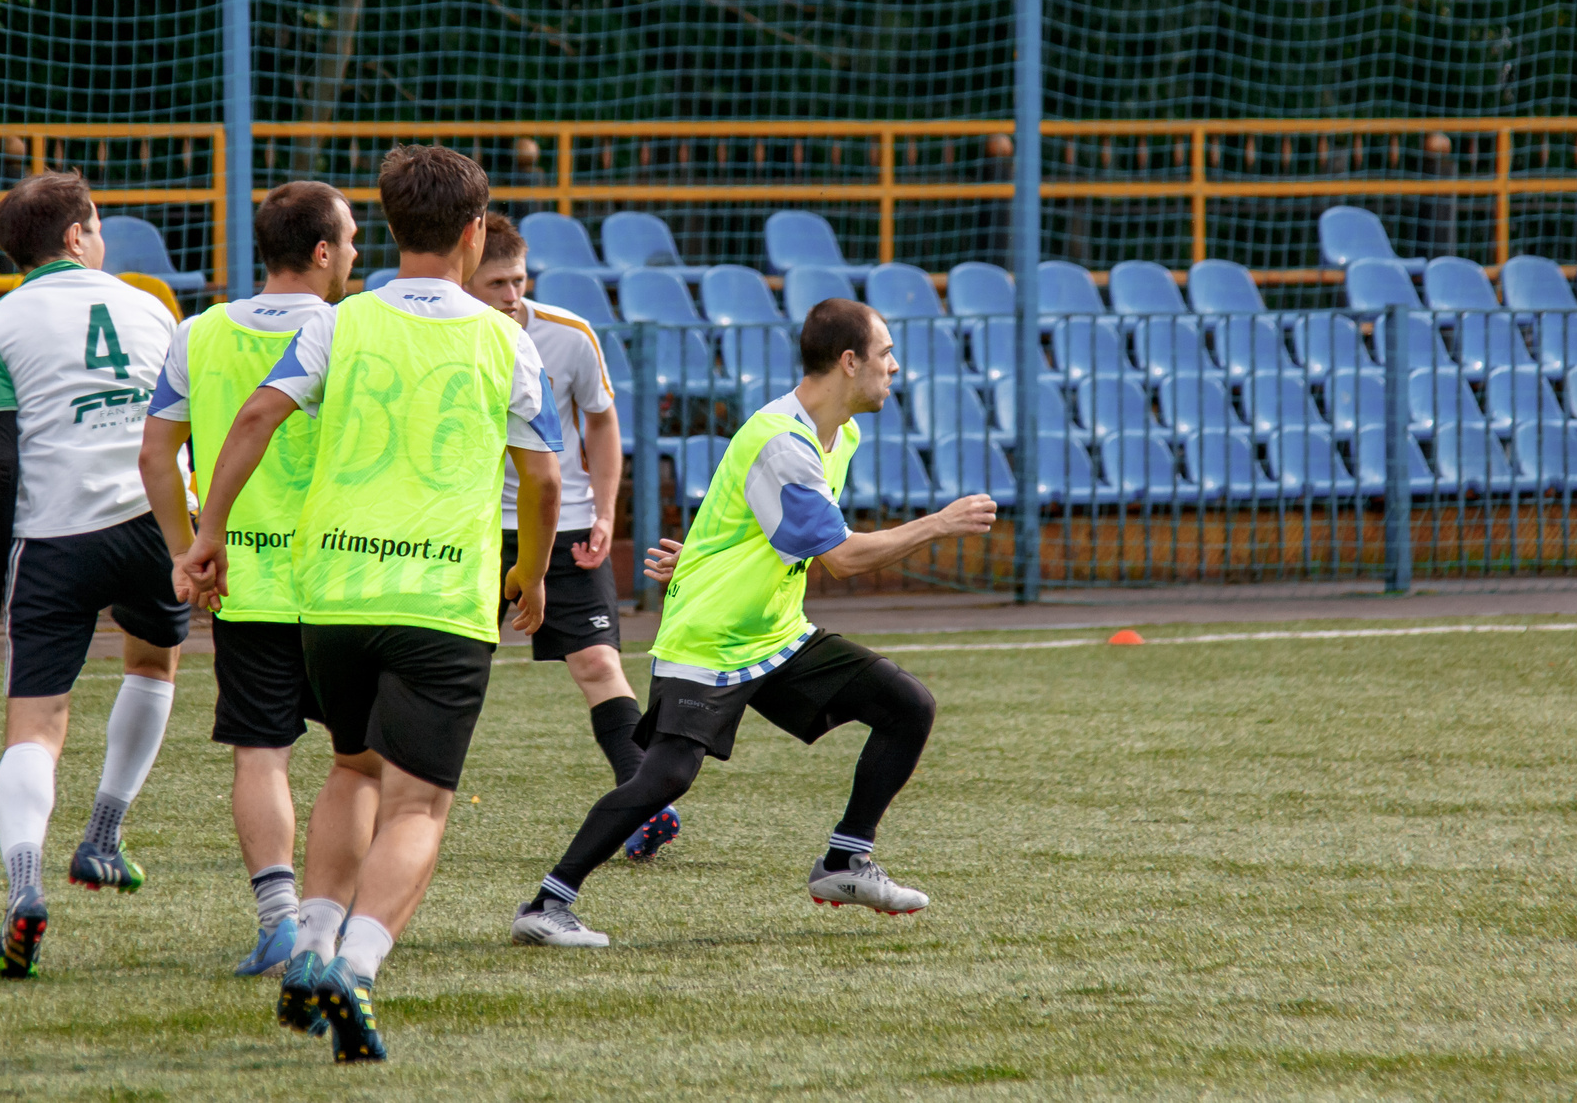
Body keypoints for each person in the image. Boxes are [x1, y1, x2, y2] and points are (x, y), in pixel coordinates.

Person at [175, 146, 561, 1064]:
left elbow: (257, 418)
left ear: (388, 230)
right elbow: (542, 476)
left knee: (351, 768)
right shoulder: (504, 336)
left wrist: (209, 529)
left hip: (334, 596)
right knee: (419, 801)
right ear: (474, 233)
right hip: (438, 598)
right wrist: (534, 570)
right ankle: (359, 962)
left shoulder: (338, 323)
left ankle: (309, 941)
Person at [509, 297, 998, 948]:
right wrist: (939, 523)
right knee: (667, 775)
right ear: (849, 362)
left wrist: (705, 555)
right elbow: (843, 558)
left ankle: (844, 861)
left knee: (908, 703)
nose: (895, 367)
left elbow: (741, 519)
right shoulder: (783, 443)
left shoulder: (839, 434)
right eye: (885, 354)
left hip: (775, 631)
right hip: (711, 636)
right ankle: (547, 902)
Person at [0, 173, 183, 981]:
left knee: (36, 725)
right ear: (80, 233)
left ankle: (25, 886)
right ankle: (105, 834)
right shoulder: (152, 306)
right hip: (152, 522)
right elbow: (175, 423)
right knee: (153, 662)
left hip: (56, 536)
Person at [139, 181, 373, 980]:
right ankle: (327, 924)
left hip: (243, 577)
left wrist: (188, 549)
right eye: (348, 240)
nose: (355, 254)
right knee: (360, 763)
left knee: (260, 753)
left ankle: (276, 917)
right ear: (320, 252)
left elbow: (154, 456)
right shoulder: (349, 332)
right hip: (339, 579)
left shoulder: (197, 330)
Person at [461, 214, 677, 860]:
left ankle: (644, 801)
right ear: (464, 279)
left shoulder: (569, 335)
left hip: (565, 522)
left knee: (597, 661)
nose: (511, 295)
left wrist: (606, 514)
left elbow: (603, 424)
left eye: (518, 280)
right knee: (446, 667)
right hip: (468, 527)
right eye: (495, 282)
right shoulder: (444, 336)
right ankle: (393, 799)